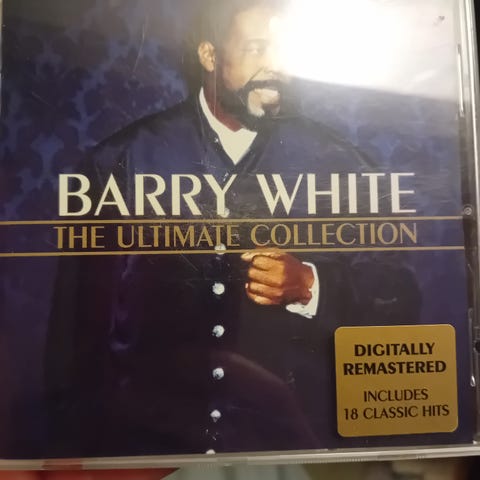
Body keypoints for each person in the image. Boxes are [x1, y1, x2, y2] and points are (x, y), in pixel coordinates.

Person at [46, 0, 420, 458]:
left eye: (284, 52)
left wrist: (310, 284)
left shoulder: (343, 164)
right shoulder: (122, 161)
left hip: (291, 452)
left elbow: (399, 299)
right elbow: (77, 331)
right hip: (146, 449)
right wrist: (70, 448)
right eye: (257, 48)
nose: (276, 67)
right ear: (209, 54)